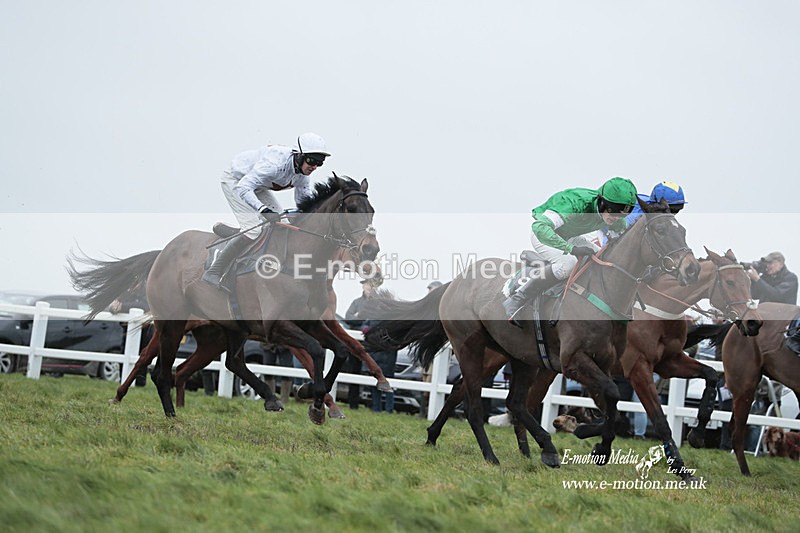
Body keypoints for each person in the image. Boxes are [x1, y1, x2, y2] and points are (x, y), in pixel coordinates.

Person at [502, 176, 639, 327]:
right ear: (601, 201)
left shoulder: (616, 216)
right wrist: (571, 249)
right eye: (613, 212)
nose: (616, 218)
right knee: (568, 263)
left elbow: (617, 241)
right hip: (545, 235)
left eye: (622, 214)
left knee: (603, 258)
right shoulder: (575, 203)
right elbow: (540, 228)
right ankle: (517, 299)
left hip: (570, 236)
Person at [203, 132, 331, 287]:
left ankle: (241, 235)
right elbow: (244, 187)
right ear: (300, 155)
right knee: (253, 230)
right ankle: (214, 271)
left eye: (320, 163)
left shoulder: (303, 176)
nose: (314, 167)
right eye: (312, 161)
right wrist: (264, 210)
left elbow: (303, 204)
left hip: (257, 186)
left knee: (283, 223)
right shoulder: (274, 165)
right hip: (236, 182)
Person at [343, 279, 376, 409]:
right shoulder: (356, 302)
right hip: (356, 343)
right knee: (354, 371)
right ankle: (353, 403)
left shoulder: (378, 303)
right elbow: (348, 318)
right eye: (366, 284)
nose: (368, 287)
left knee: (372, 371)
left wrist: (358, 317)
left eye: (371, 285)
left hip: (371, 343)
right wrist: (361, 318)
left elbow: (374, 321)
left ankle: (373, 405)